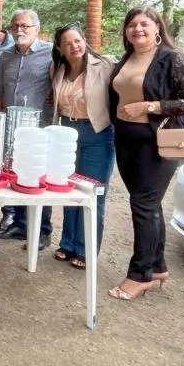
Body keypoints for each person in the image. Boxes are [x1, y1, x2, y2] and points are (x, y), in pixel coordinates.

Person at [108, 7, 184, 301]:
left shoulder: (172, 59)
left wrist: (148, 106)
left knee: (143, 205)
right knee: (149, 206)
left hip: (158, 142)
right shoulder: (126, 58)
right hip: (125, 139)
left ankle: (140, 275)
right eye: (132, 25)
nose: (137, 29)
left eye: (144, 24)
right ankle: (158, 265)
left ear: (157, 28)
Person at [50, 24, 115, 270]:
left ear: (84, 41)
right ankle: (68, 243)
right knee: (69, 189)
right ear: (60, 48)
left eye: (77, 41)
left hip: (97, 132)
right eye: (67, 43)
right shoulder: (58, 69)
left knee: (92, 193)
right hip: (67, 132)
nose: (74, 46)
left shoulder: (105, 66)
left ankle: (86, 249)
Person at [0, 9, 54, 247]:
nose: (19, 30)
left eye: (25, 26)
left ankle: (42, 230)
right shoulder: (6, 56)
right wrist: (0, 122)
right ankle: (19, 224)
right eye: (15, 26)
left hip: (39, 128)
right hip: (11, 126)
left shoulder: (51, 53)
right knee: (16, 174)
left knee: (38, 177)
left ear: (36, 29)